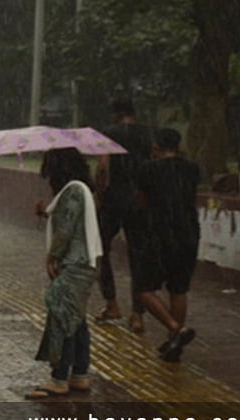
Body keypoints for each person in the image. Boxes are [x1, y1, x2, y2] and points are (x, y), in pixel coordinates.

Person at [26, 147, 102, 399]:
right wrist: (46, 212)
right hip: (83, 264)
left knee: (61, 317)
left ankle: (59, 379)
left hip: (75, 264)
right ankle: (79, 374)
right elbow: (66, 218)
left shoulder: (73, 190)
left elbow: (66, 228)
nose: (48, 177)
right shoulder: (78, 190)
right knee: (75, 319)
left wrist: (53, 256)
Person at [133, 128, 200, 362]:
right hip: (189, 234)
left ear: (156, 147)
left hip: (161, 235)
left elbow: (141, 201)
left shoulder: (148, 168)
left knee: (144, 288)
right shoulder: (192, 168)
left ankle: (176, 329)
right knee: (178, 289)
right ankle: (175, 343)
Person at [94, 96, 153, 333]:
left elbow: (102, 167)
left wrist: (99, 193)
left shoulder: (108, 133)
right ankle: (137, 315)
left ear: (116, 114)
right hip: (139, 200)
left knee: (101, 251)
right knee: (138, 257)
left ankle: (112, 304)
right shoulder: (147, 134)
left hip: (113, 199)